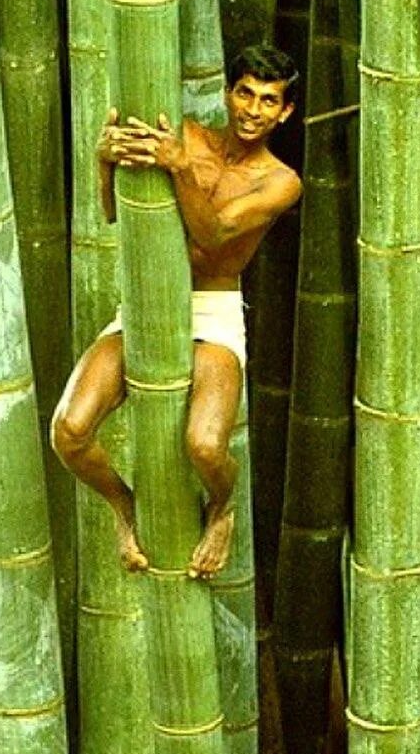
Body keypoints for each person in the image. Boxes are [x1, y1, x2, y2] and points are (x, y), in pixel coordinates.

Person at [51, 45, 302, 578]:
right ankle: (124, 506)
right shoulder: (186, 136)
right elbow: (115, 212)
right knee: (68, 432)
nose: (253, 110)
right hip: (146, 300)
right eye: (245, 94)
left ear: (285, 112)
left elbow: (213, 238)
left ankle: (221, 507)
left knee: (207, 447)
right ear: (228, 94)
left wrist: (179, 168)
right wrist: (104, 160)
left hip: (212, 311)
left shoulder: (279, 182)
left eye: (268, 101)